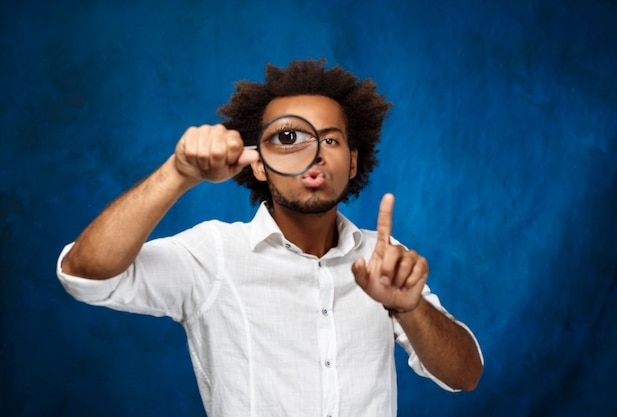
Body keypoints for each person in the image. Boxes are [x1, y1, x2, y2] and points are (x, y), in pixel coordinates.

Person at [56, 59, 483, 416]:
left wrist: (409, 308)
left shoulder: (385, 260)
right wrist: (179, 174)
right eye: (287, 138)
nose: (312, 153)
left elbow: (466, 375)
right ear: (258, 165)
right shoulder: (214, 254)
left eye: (329, 139)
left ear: (352, 163)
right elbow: (85, 274)